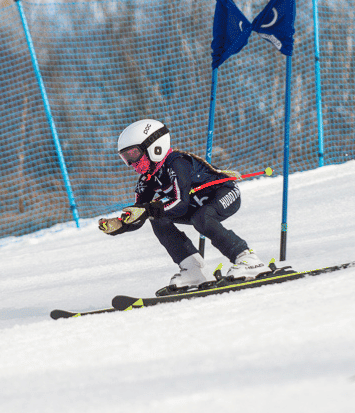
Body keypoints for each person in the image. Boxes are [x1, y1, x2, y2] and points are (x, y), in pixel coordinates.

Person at [98, 118, 269, 291]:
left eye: (134, 154)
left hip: (225, 192)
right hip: (196, 206)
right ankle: (193, 270)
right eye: (125, 157)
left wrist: (149, 210)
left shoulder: (176, 163)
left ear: (154, 146)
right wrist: (121, 224)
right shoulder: (147, 179)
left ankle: (248, 260)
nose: (131, 162)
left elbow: (180, 203)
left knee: (201, 218)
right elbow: (139, 213)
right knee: (157, 218)